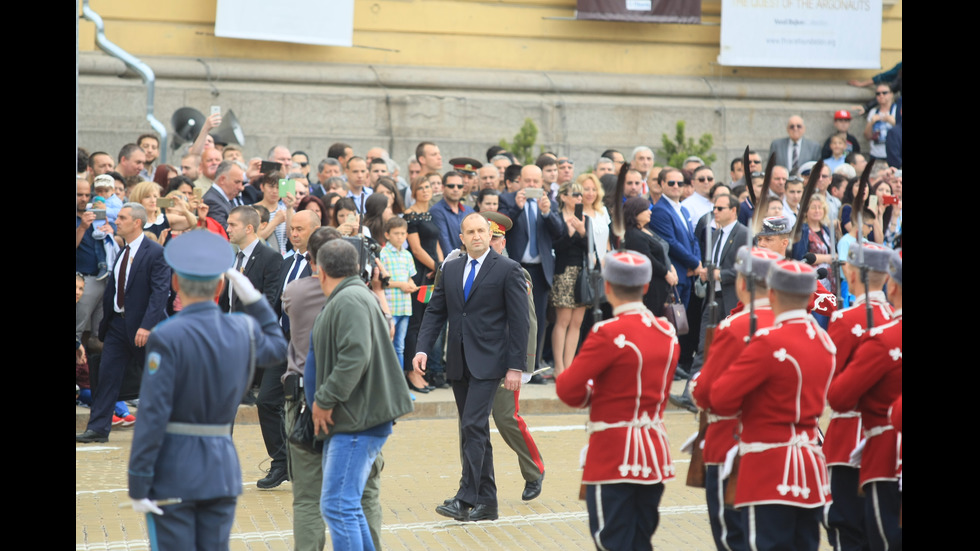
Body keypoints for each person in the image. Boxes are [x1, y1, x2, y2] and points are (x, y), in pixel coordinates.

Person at [126, 230, 287, 550]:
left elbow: (153, 413)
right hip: (221, 470)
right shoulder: (241, 329)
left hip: (175, 470)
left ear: (175, 284)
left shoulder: (167, 335)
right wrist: (254, 300)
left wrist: (138, 480)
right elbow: (278, 348)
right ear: (221, 286)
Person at [555, 250, 680, 551]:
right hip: (653, 452)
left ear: (607, 286)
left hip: (613, 453)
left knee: (612, 540)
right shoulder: (666, 330)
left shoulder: (607, 332)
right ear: (646, 286)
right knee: (640, 538)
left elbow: (568, 389)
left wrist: (596, 393)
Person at [709, 259, 835, 551]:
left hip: (767, 466)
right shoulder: (824, 341)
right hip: (810, 463)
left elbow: (720, 398)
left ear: (774, 294)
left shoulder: (767, 341)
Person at [413, 213, 530, 522]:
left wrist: (516, 367)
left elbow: (520, 323)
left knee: (472, 426)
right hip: (458, 360)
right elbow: (436, 312)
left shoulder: (508, 269)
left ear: (490, 234)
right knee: (474, 430)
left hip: (491, 362)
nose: (477, 236)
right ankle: (487, 504)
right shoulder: (449, 269)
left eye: (482, 231)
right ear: (461, 238)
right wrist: (423, 348)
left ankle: (465, 499)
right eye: (471, 232)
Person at [310, 239, 414, 550]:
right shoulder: (354, 295)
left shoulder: (350, 299)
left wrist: (324, 399)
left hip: (358, 419)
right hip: (356, 417)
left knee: (338, 506)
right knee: (347, 506)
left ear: (321, 271)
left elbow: (355, 356)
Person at [690, 246, 782, 551]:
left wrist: (695, 386)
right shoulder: (798, 325)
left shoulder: (734, 327)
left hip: (735, 447)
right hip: (788, 451)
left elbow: (706, 395)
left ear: (742, 282)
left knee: (734, 539)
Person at [77, 203, 172, 443]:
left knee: (156, 379)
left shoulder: (155, 252)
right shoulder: (123, 250)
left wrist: (147, 326)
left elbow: (160, 293)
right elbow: (114, 288)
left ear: (136, 222)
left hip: (143, 328)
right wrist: (106, 325)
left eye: (122, 218)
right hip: (118, 327)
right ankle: (98, 428)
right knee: (107, 376)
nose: (116, 221)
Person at [827, 249, 903, 551]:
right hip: (883, 440)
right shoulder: (888, 319)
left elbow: (833, 390)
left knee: (850, 528)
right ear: (885, 278)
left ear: (851, 274)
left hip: (857, 440)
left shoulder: (846, 320)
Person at [480, 211, 546, 500]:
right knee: (470, 423)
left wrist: (523, 364)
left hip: (505, 357)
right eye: (482, 235)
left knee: (506, 417)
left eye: (493, 238)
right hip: (473, 357)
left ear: (502, 241)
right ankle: (473, 485)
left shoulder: (515, 271)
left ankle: (534, 470)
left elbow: (526, 320)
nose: (486, 242)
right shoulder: (459, 266)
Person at [402, 175, 446, 388]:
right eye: (421, 187)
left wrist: (440, 266)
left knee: (429, 322)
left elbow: (435, 243)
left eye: (428, 186)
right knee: (416, 323)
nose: (426, 190)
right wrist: (434, 267)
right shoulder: (410, 216)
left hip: (433, 273)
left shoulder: (429, 214)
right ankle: (412, 372)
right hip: (419, 273)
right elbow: (417, 249)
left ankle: (423, 369)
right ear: (414, 192)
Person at [649, 167, 704, 308]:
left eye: (680, 183)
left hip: (688, 274)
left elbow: (693, 239)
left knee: (682, 322)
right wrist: (695, 263)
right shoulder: (659, 210)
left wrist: (697, 262)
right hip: (675, 274)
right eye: (671, 183)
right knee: (673, 321)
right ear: (661, 184)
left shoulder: (684, 209)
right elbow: (670, 242)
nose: (676, 186)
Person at [549, 181, 589, 377]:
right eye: (575, 194)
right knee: (563, 320)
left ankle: (570, 366)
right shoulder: (556, 217)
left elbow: (590, 248)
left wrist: (582, 232)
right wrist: (571, 233)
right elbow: (555, 247)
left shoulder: (584, 218)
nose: (579, 198)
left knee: (577, 322)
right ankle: (559, 368)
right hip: (563, 271)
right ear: (563, 197)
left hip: (581, 273)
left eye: (581, 195)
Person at [622, 197, 676, 316]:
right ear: (635, 212)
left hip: (658, 286)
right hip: (650, 288)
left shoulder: (644, 231)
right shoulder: (633, 235)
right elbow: (647, 259)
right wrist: (666, 273)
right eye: (646, 209)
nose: (650, 212)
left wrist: (670, 267)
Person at [865, 84, 898, 161]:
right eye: (878, 94)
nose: (881, 95)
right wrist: (871, 123)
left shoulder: (897, 110)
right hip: (876, 154)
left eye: (884, 93)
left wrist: (894, 123)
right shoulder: (873, 112)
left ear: (891, 94)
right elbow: (867, 136)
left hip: (894, 154)